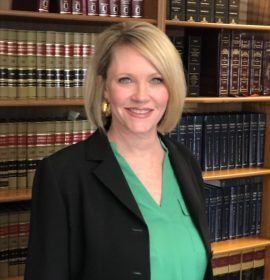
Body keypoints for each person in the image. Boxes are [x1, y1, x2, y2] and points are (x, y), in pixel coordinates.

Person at [25, 22, 213, 280]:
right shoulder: (62, 176)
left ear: (171, 89)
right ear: (104, 87)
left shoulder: (185, 162)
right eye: (126, 80)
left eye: (156, 80)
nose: (141, 96)